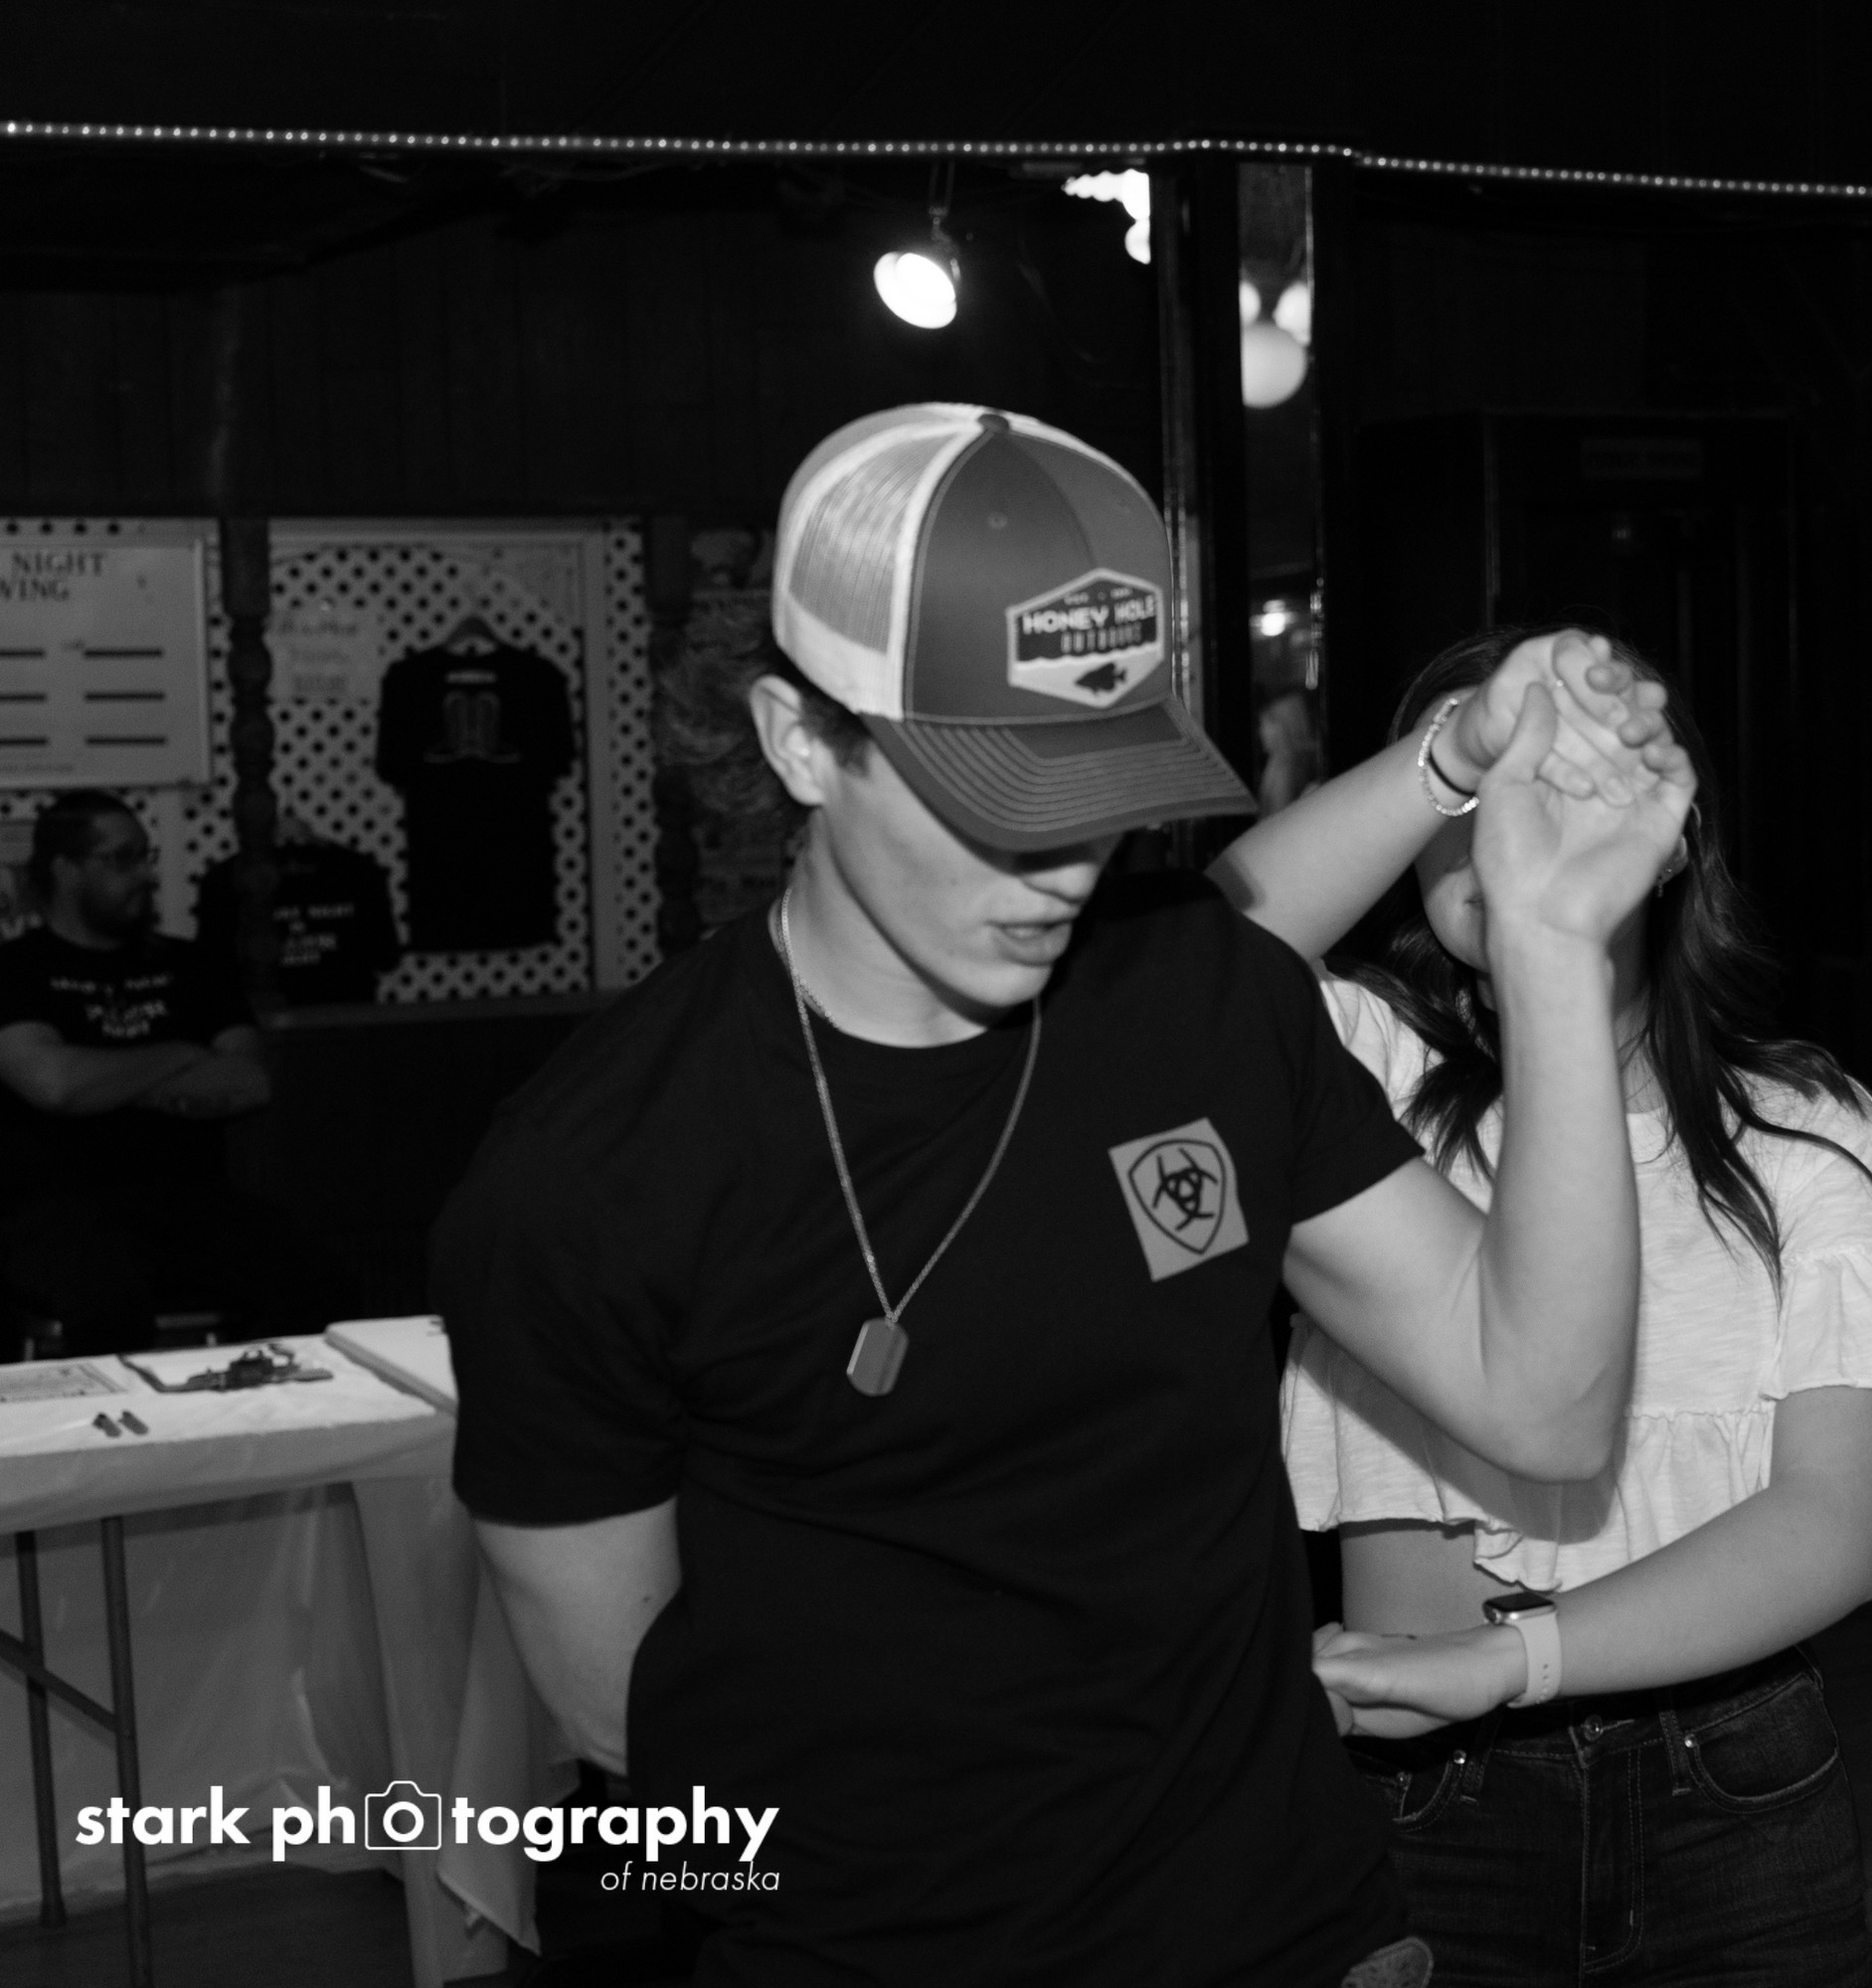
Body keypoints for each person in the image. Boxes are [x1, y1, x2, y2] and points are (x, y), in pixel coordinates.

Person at [436, 406, 1694, 1987]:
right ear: (800, 741)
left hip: (1285, 1937)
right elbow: (623, 1714)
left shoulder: (1197, 1005)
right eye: (990, 797)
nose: (1061, 867)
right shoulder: (590, 1180)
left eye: (1098, 792)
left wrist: (1555, 943)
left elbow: (1547, 1406)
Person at [1211, 628, 1872, 1986]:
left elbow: (1835, 1531)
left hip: (1734, 1789)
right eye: (1469, 796)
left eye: (1553, 779)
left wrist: (1513, 1661)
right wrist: (1444, 753)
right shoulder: (1366, 1081)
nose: (1501, 829)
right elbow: (1205, 963)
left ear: (1667, 836)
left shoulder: (1808, 1135)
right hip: (1429, 1802)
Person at [0, 790, 350, 1357]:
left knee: (317, 1279)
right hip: (56, 1206)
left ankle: (254, 1404)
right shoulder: (15, 971)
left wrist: (108, 1080)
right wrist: (182, 1054)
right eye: (122, 858)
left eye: (146, 856)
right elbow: (54, 1085)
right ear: (65, 870)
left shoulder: (191, 964)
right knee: (105, 1301)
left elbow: (247, 1081)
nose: (145, 874)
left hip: (192, 1199)